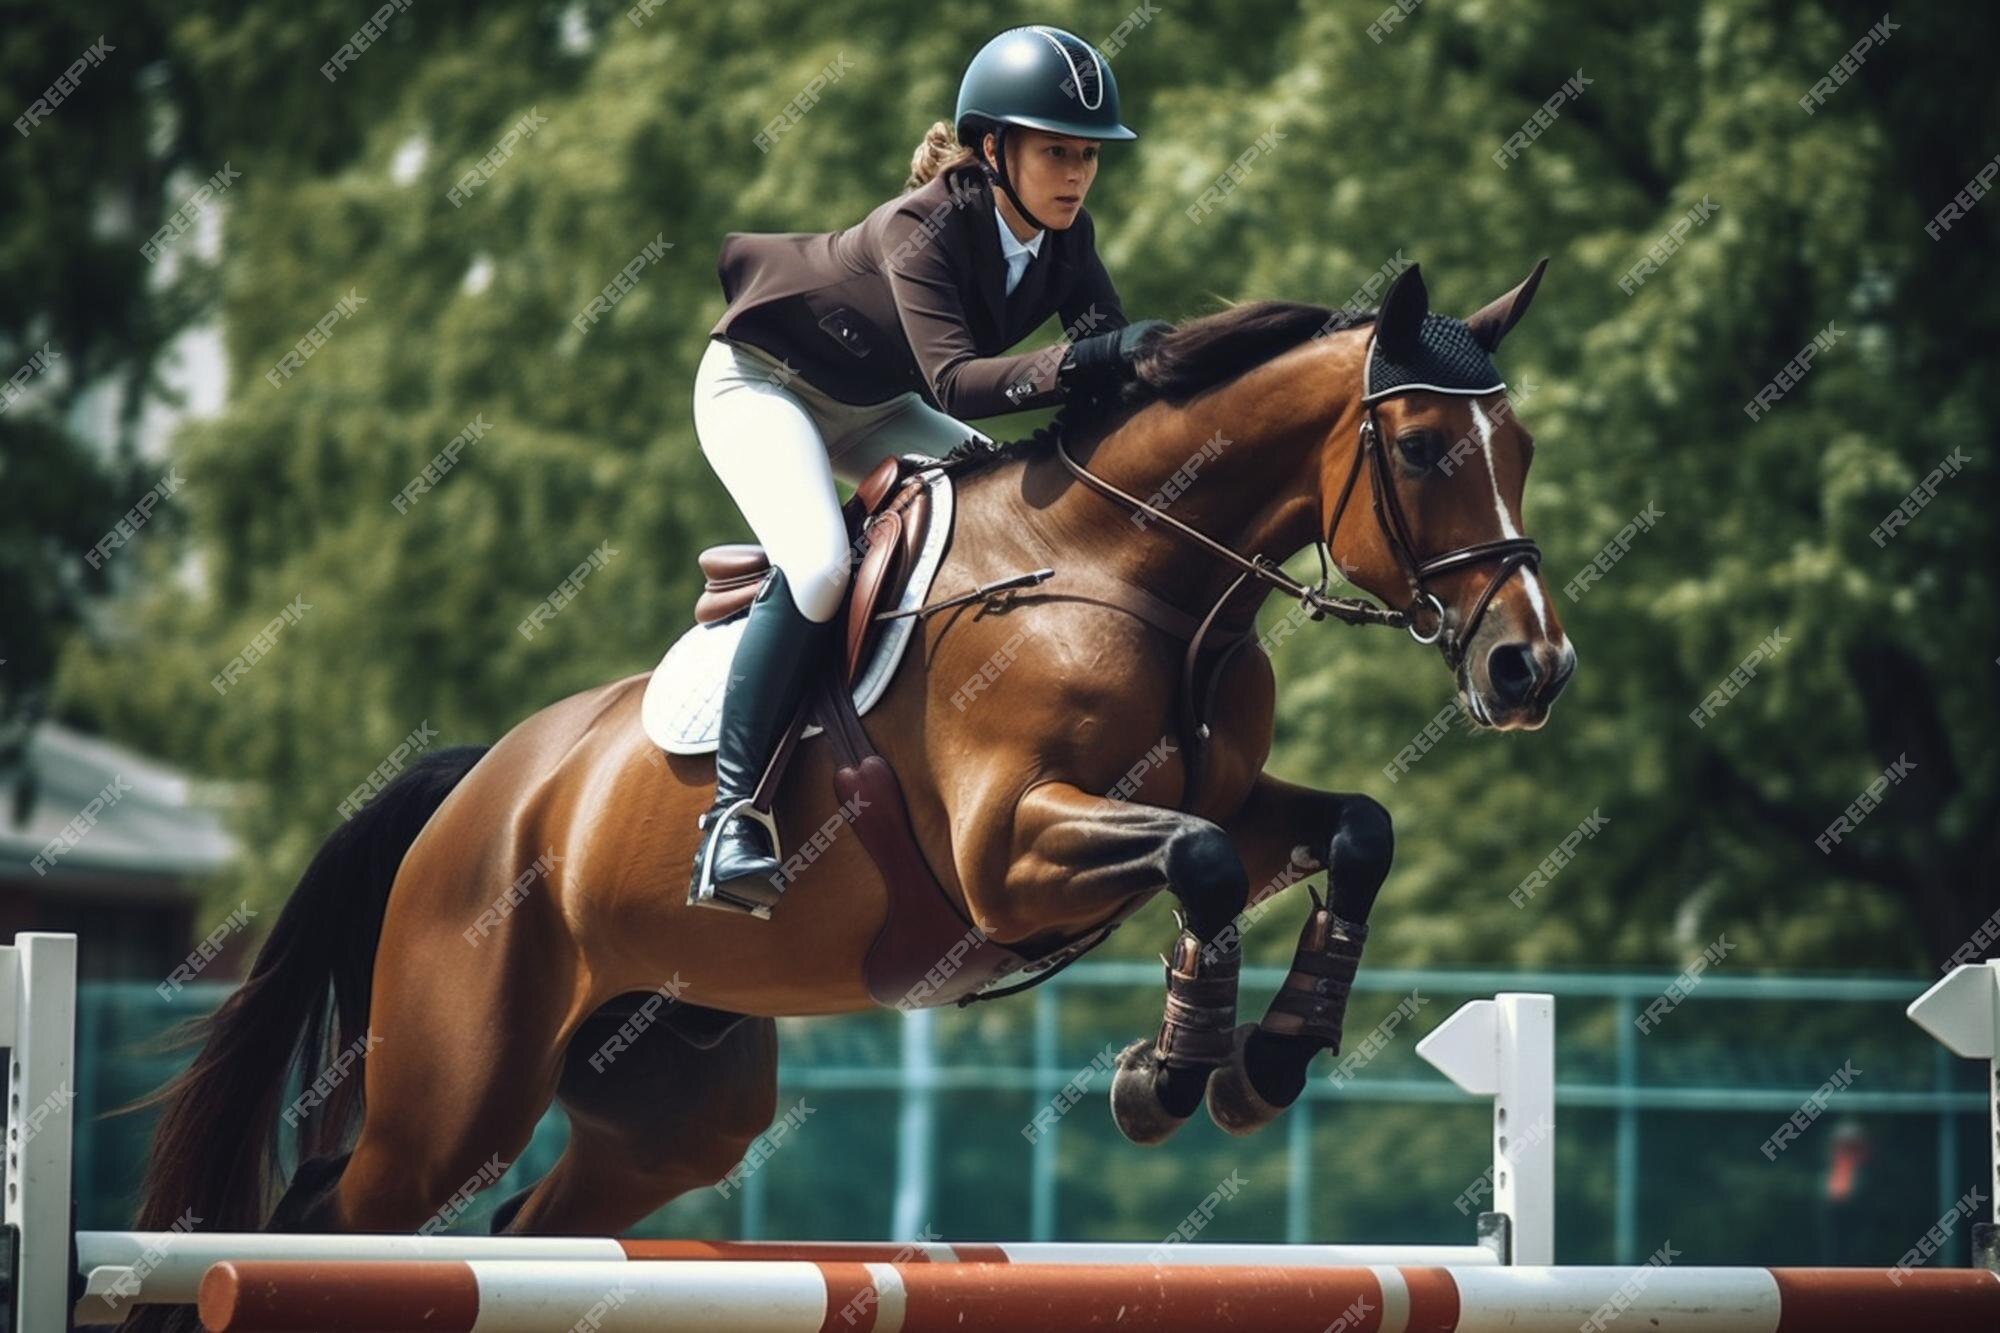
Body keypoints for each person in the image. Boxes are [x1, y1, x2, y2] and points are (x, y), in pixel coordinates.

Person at [689, 24, 1168, 916]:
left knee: (1006, 509)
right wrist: (1093, 358)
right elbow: (957, 381)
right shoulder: (929, 225)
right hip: (764, 385)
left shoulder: (1067, 239)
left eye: (1089, 157)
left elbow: (1112, 374)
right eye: (1056, 152)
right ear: (994, 148)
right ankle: (730, 820)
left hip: (871, 406)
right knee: (823, 564)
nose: (1076, 174)